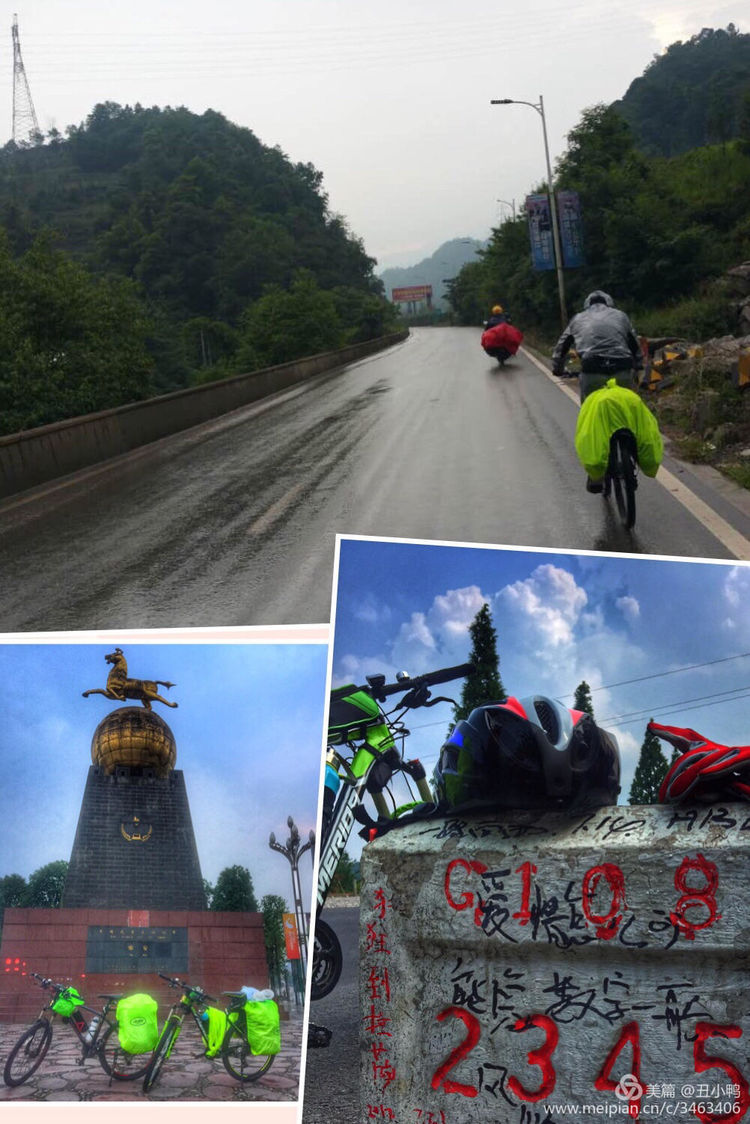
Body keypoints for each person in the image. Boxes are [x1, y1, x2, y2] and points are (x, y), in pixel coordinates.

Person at [552, 290, 643, 401]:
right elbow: (634, 343)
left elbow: (562, 346)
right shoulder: (621, 316)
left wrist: (558, 368)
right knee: (628, 404)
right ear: (609, 303)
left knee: (588, 410)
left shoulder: (578, 318)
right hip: (621, 367)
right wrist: (638, 363)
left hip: (592, 369)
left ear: (587, 305)